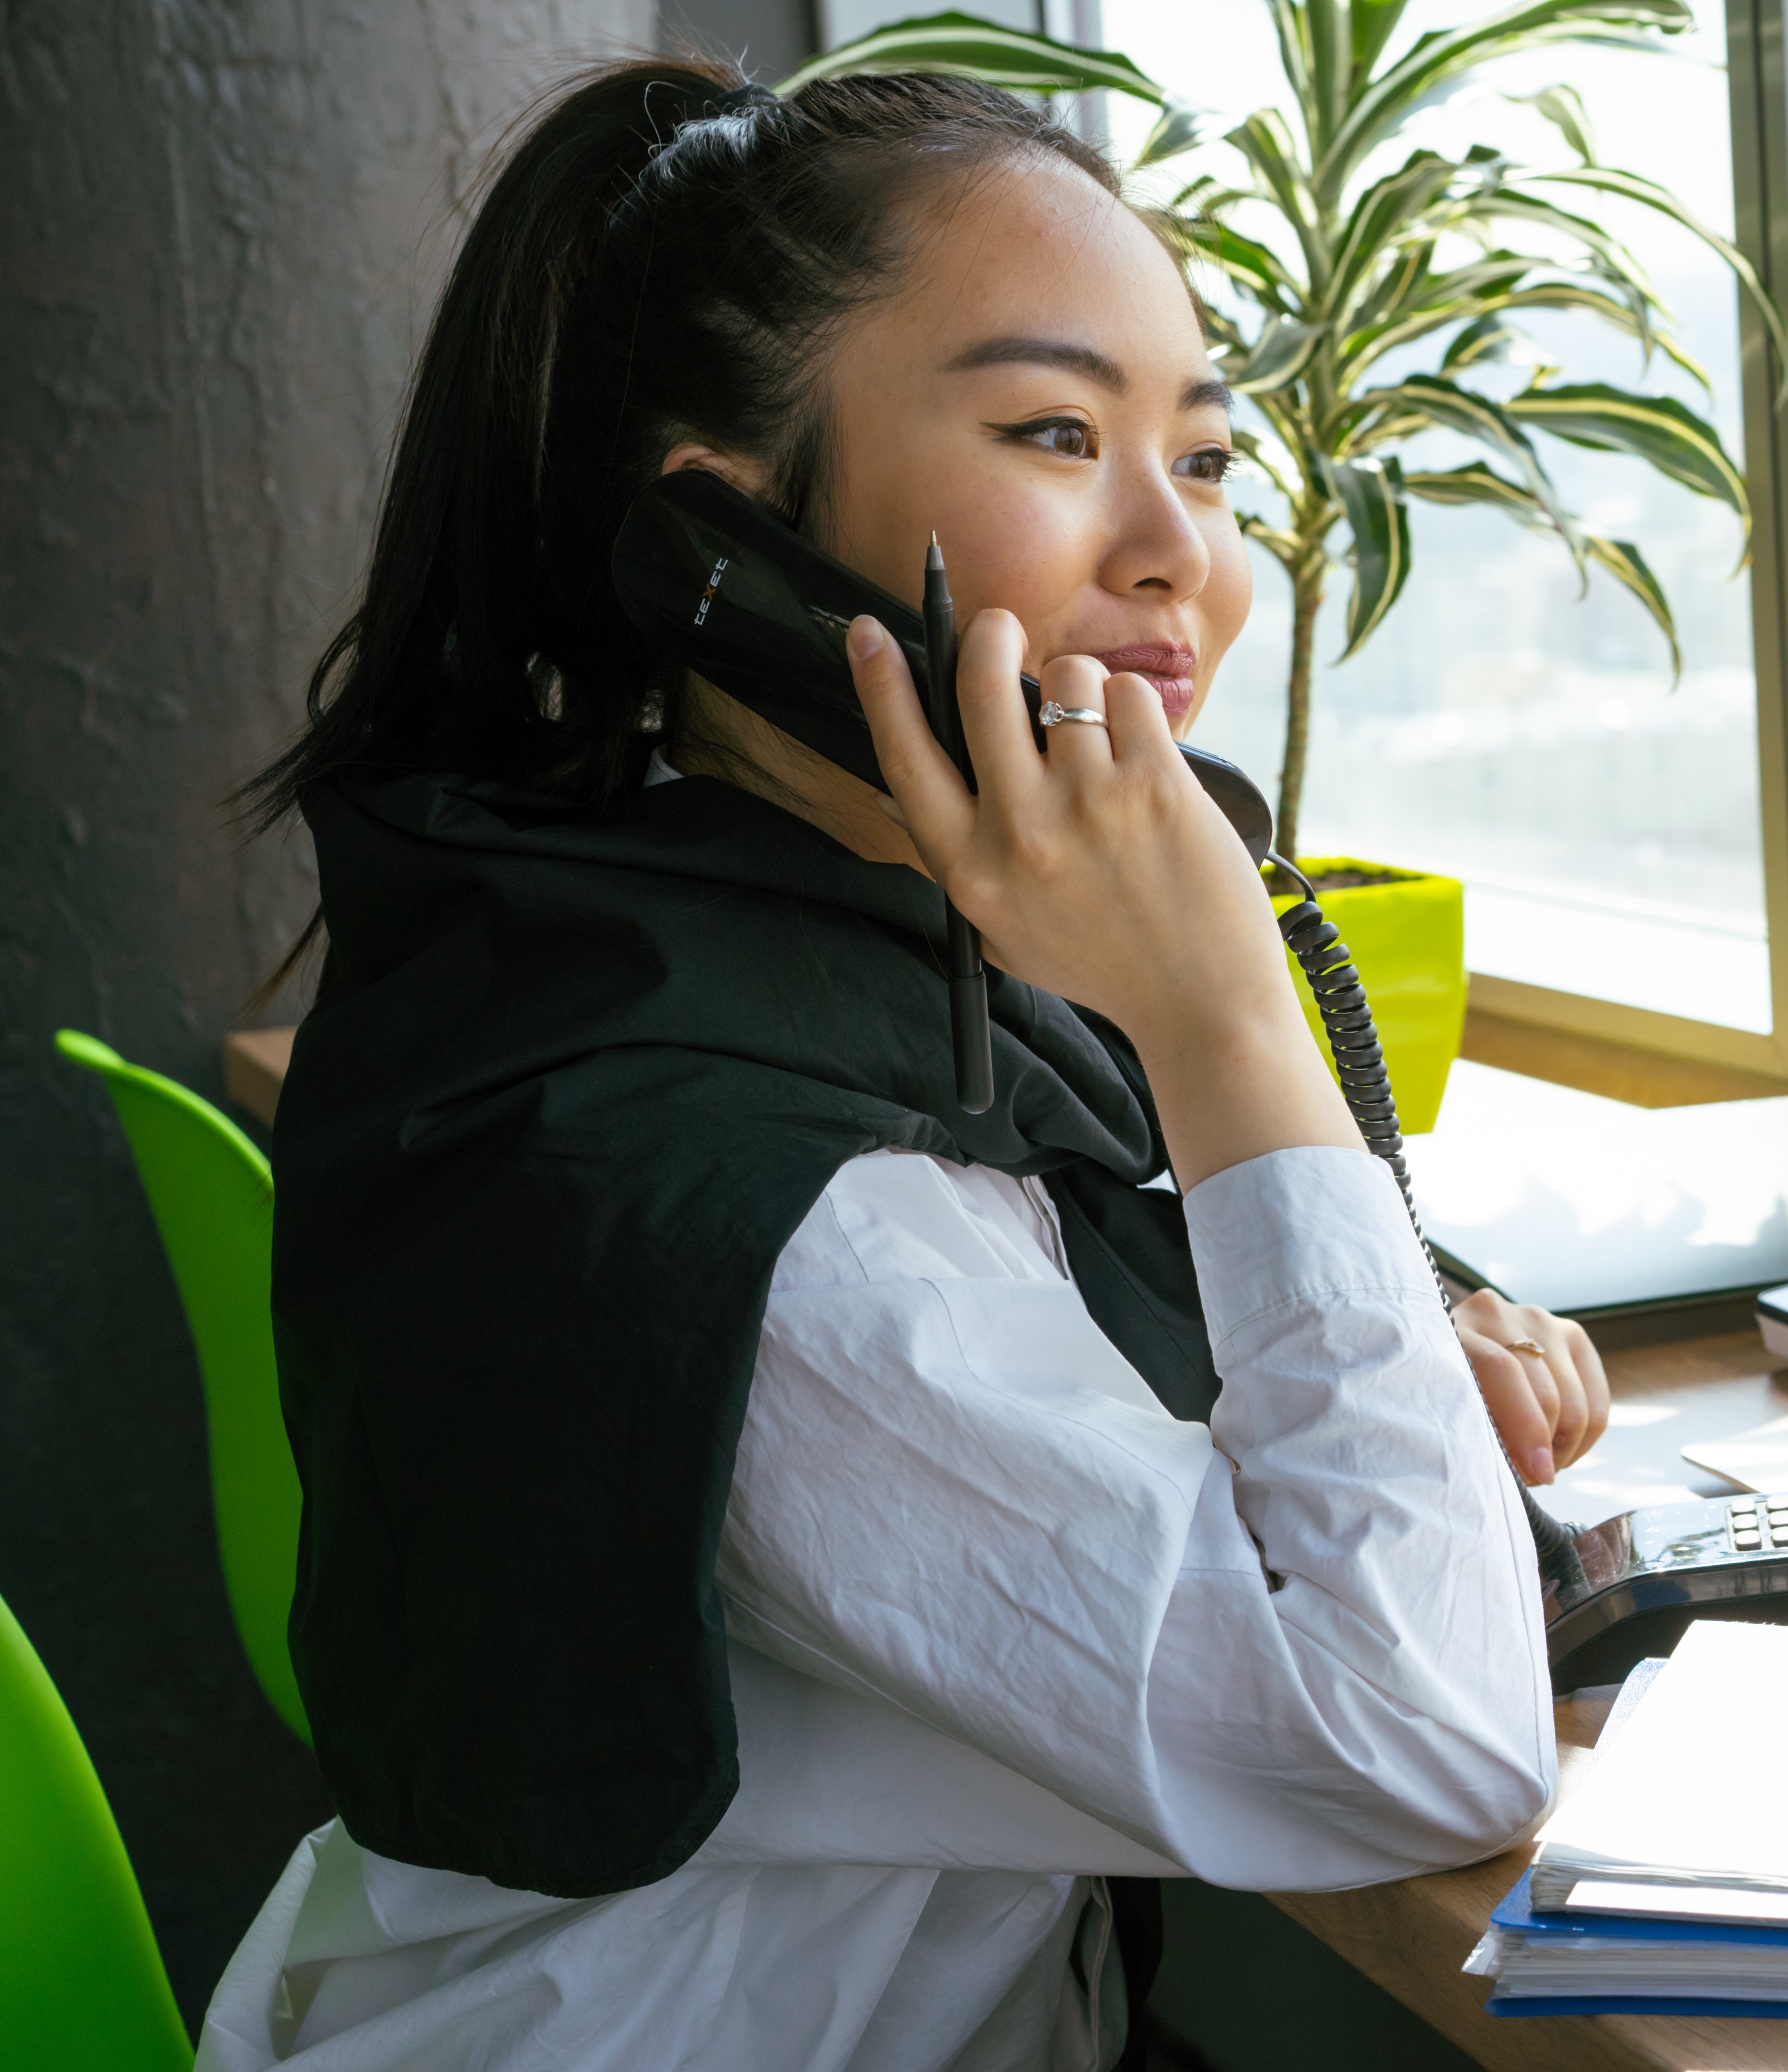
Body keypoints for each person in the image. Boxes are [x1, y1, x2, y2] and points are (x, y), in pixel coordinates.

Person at [199, 58, 1605, 2071]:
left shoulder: (728, 935)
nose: (1178, 555)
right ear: (725, 545)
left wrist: (1355, 1326)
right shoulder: (781, 1210)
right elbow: (1423, 1754)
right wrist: (1226, 1015)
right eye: (1056, 431)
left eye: (1201, 458)